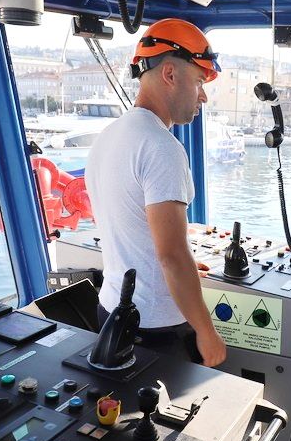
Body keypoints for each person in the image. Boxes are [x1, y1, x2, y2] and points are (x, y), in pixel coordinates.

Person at [85, 18, 227, 367]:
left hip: (110, 310)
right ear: (170, 74)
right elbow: (172, 256)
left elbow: (134, 230)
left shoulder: (109, 135)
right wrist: (206, 332)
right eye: (199, 81)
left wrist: (185, 267)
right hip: (155, 326)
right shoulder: (162, 147)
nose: (204, 96)